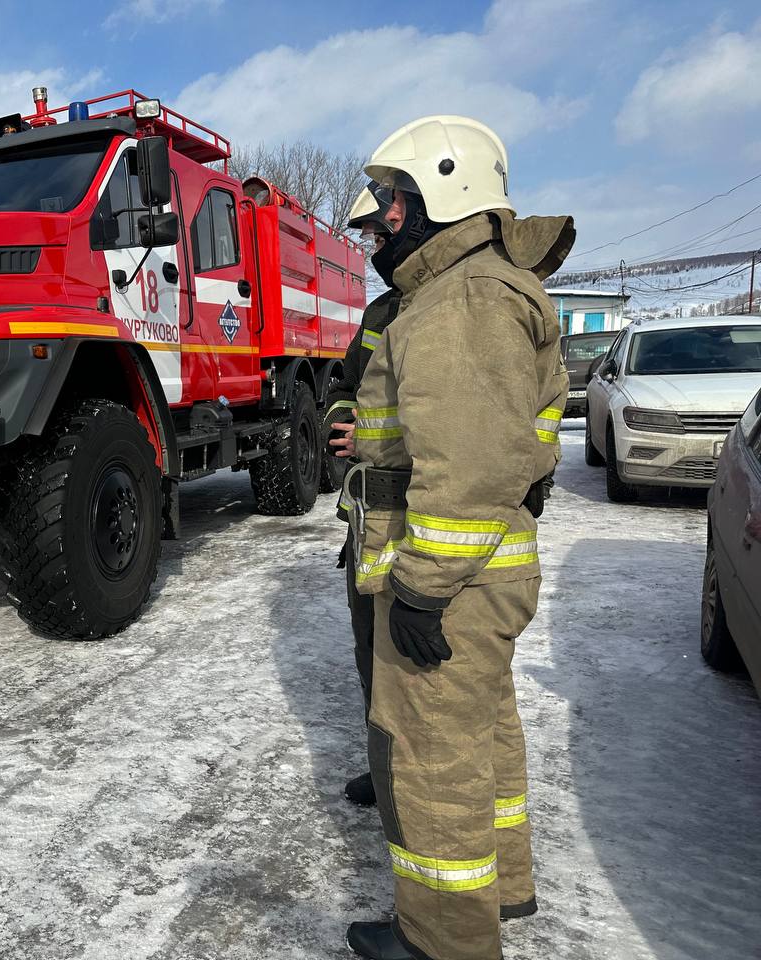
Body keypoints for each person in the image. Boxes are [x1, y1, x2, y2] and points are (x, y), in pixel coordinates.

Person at [340, 116, 573, 960]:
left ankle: (443, 941)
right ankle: (502, 891)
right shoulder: (481, 287)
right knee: (481, 739)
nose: (383, 223)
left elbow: (468, 463)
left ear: (445, 193)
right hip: (485, 574)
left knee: (434, 760)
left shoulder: (462, 300)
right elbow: (518, 439)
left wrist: (420, 588)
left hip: (454, 582)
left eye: (395, 204)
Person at [327, 185, 401, 807]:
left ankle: (414, 784)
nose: (375, 249)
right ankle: (385, 771)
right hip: (366, 522)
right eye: (371, 240)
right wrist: (344, 422)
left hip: (422, 520)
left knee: (420, 675)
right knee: (372, 654)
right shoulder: (381, 314)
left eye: (380, 236)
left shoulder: (459, 307)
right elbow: (348, 386)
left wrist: (373, 434)